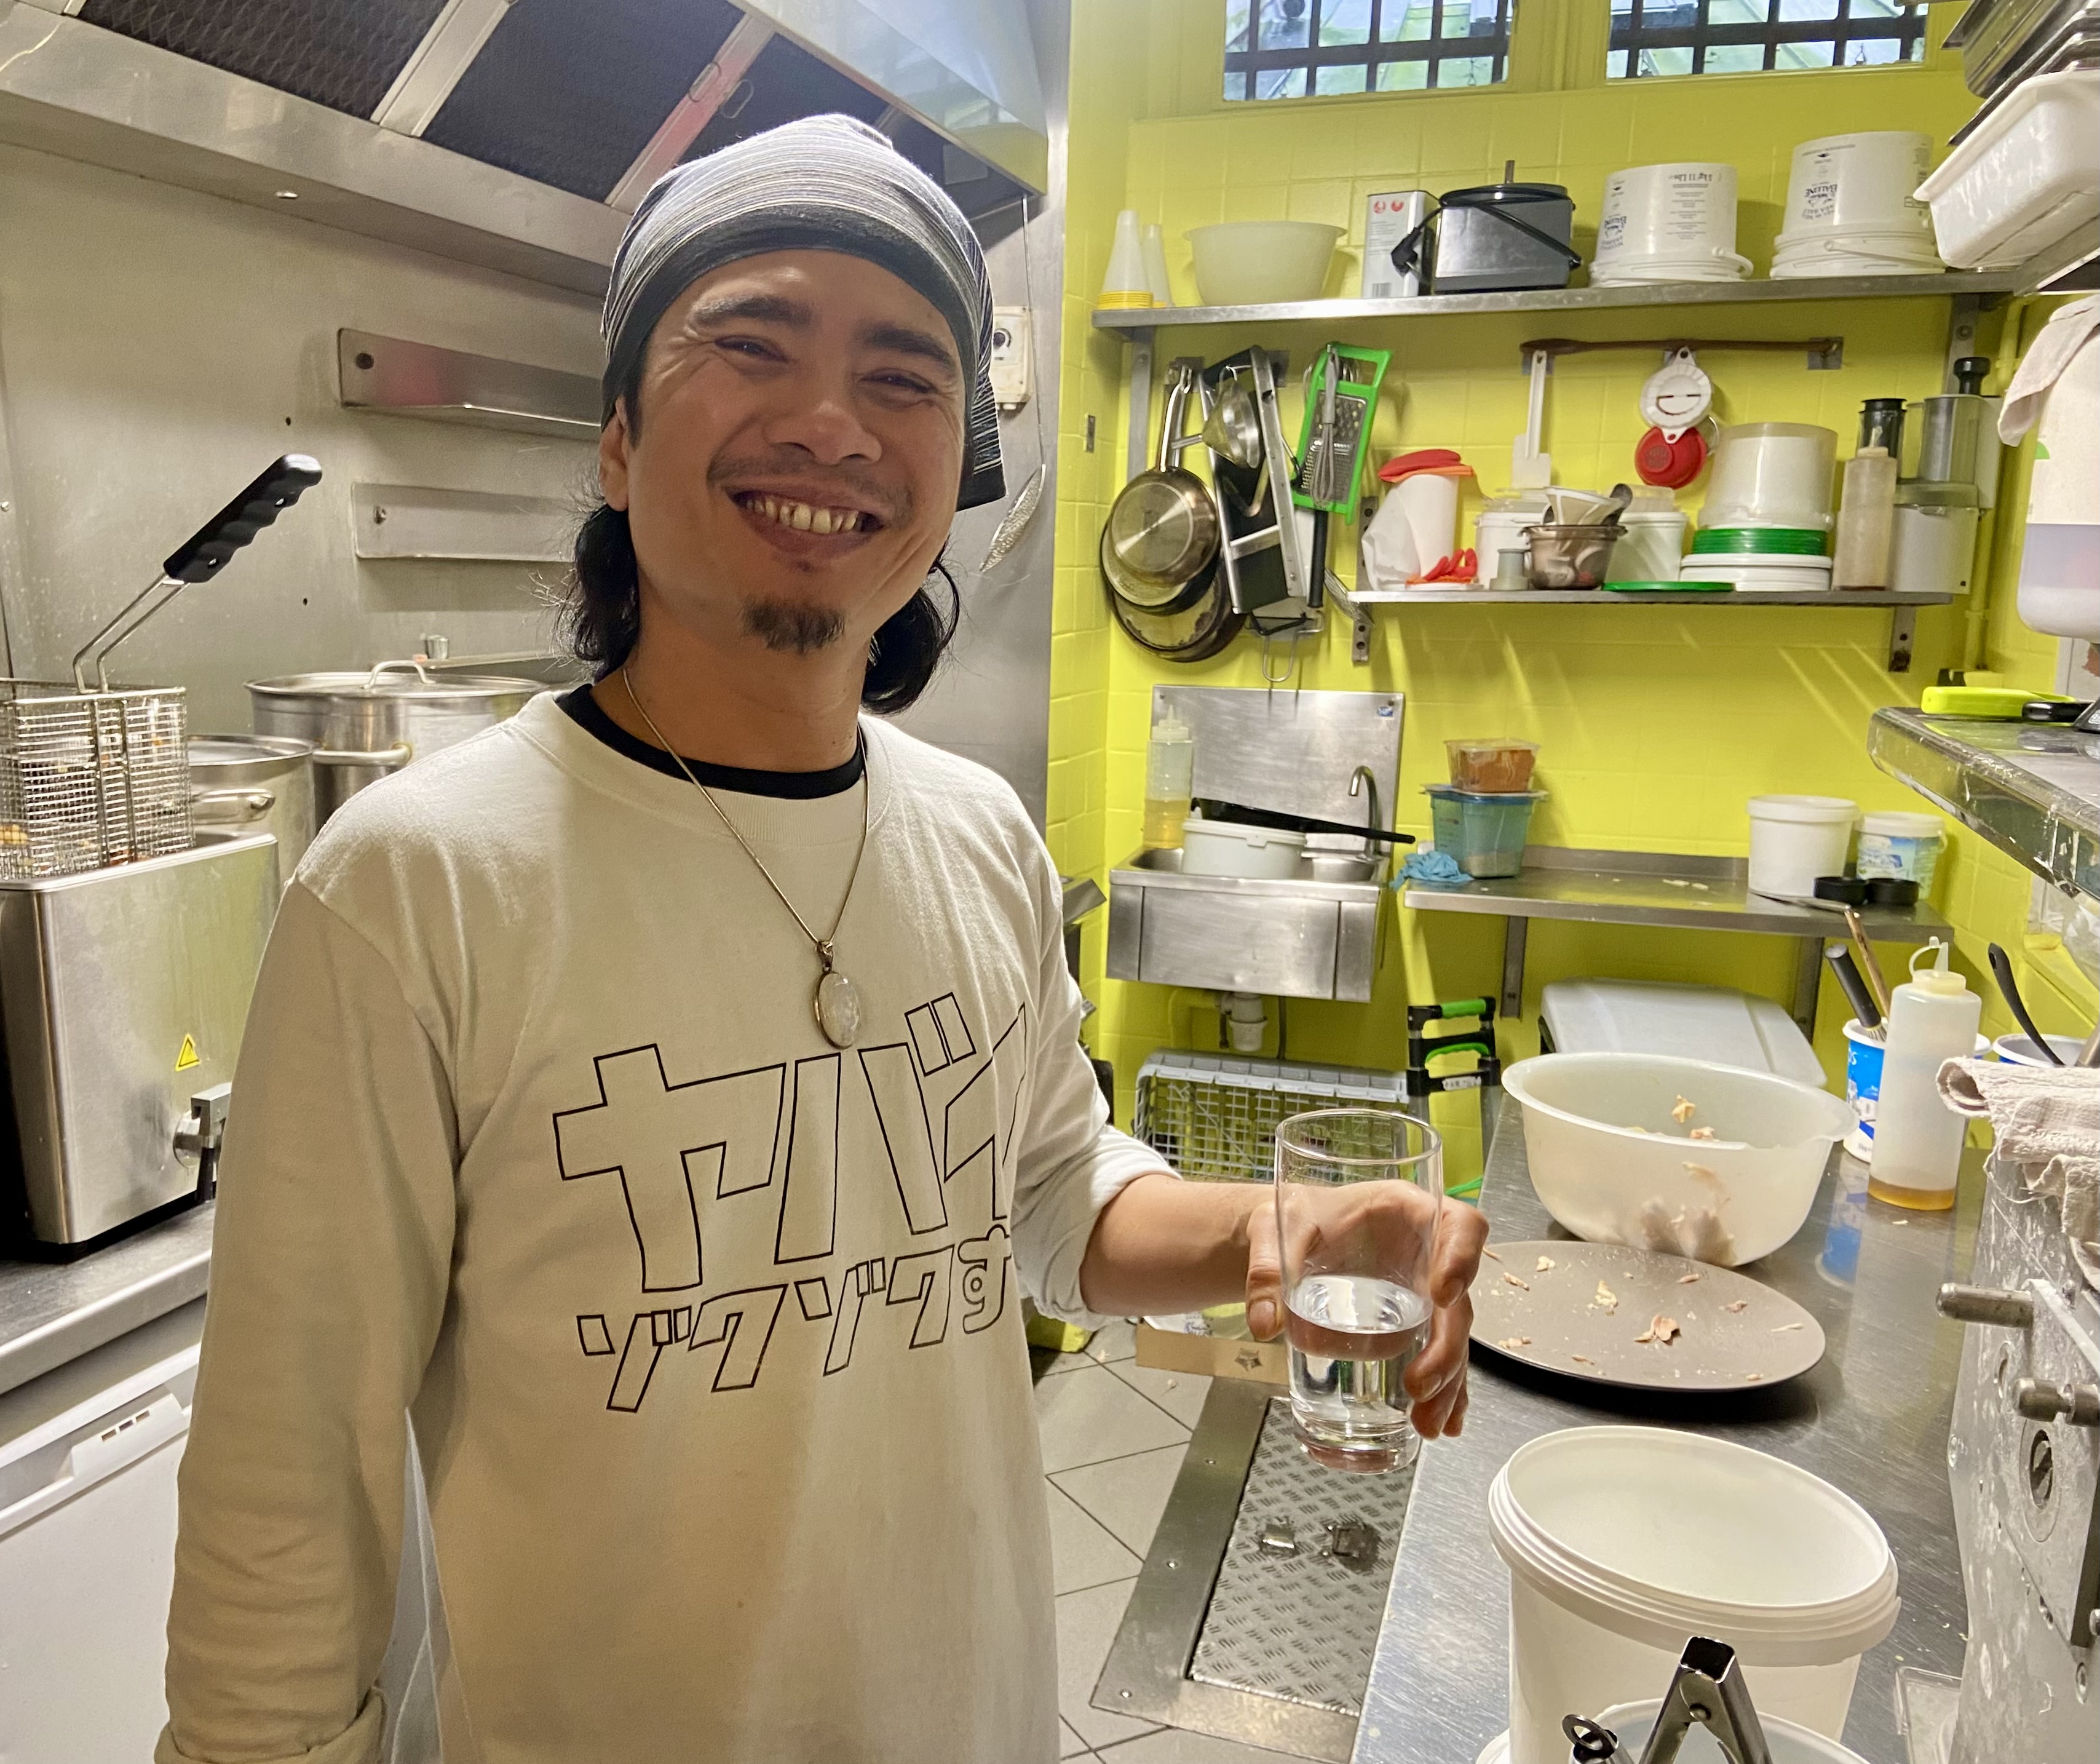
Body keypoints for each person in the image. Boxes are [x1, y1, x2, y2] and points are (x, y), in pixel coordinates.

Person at [159, 115, 1487, 1764]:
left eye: (904, 376)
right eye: (753, 343)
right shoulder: (411, 889)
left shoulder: (979, 836)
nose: (831, 422)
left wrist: (1281, 1230)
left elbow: (1048, 1195)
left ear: (950, 472)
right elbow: (284, 1495)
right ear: (618, 439)